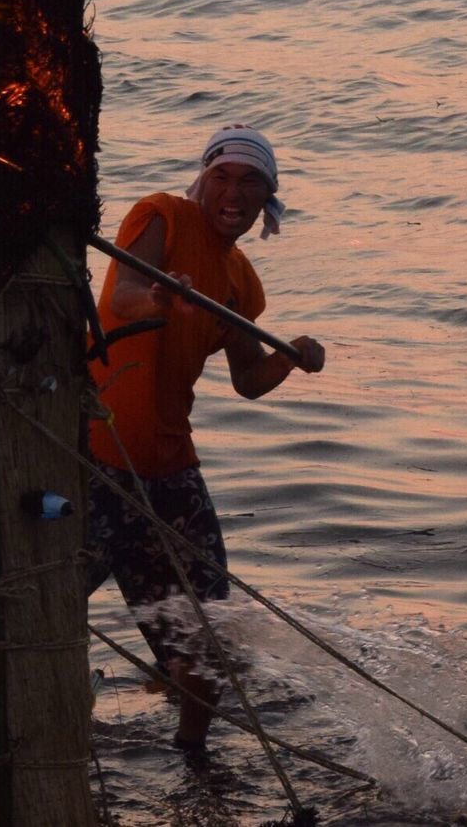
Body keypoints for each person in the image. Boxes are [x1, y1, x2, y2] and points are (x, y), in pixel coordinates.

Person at [84, 125, 325, 752]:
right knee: (43, 596)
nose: (233, 193)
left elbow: (248, 379)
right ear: (204, 179)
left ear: (267, 199)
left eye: (252, 183)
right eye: (223, 176)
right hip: (95, 454)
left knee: (211, 632)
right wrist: (158, 296)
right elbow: (123, 293)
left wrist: (292, 358)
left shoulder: (240, 280)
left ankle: (192, 757)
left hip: (170, 465)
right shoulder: (162, 215)